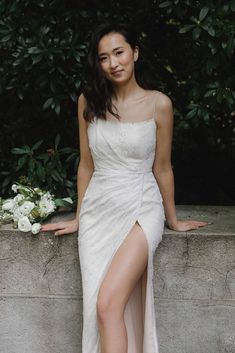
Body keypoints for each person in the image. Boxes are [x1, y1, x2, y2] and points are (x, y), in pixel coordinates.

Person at [40, 22, 208, 353]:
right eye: (104, 58)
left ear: (135, 52)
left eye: (119, 53)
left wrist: (172, 220)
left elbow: (161, 167)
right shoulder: (87, 102)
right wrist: (78, 216)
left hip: (141, 206)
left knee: (107, 303)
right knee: (99, 309)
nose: (113, 63)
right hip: (97, 213)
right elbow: (86, 165)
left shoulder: (159, 103)